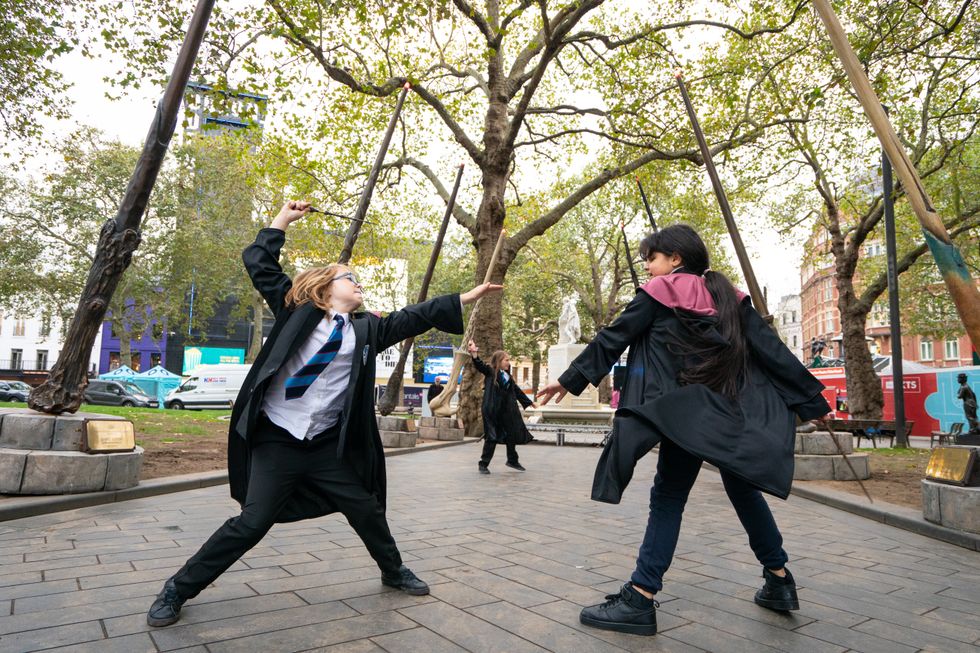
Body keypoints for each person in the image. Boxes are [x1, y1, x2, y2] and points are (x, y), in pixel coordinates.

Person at [146, 201, 502, 627]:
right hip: (278, 438)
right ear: (325, 286)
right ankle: (177, 589)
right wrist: (282, 219)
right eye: (351, 278)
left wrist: (465, 297)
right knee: (252, 522)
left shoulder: (367, 329)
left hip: (326, 445)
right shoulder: (295, 311)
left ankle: (393, 570)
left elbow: (413, 317)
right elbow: (259, 262)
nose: (359, 284)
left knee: (365, 508)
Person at [537, 224, 830, 637]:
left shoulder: (657, 294)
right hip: (729, 416)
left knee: (669, 496)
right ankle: (779, 580)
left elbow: (612, 338)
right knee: (743, 489)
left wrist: (567, 380)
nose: (647, 270)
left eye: (651, 260)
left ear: (675, 259)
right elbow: (773, 351)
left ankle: (640, 597)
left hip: (684, 418)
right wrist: (813, 402)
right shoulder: (731, 299)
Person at [468, 340, 536, 474]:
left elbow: (516, 390)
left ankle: (512, 461)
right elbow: (479, 365)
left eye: (508, 360)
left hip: (506, 411)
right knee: (492, 437)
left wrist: (529, 402)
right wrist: (474, 354)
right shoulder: (490, 371)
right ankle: (483, 464)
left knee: (511, 434)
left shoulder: (508, 377)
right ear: (499, 361)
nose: (508, 362)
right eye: (506, 360)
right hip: (491, 411)